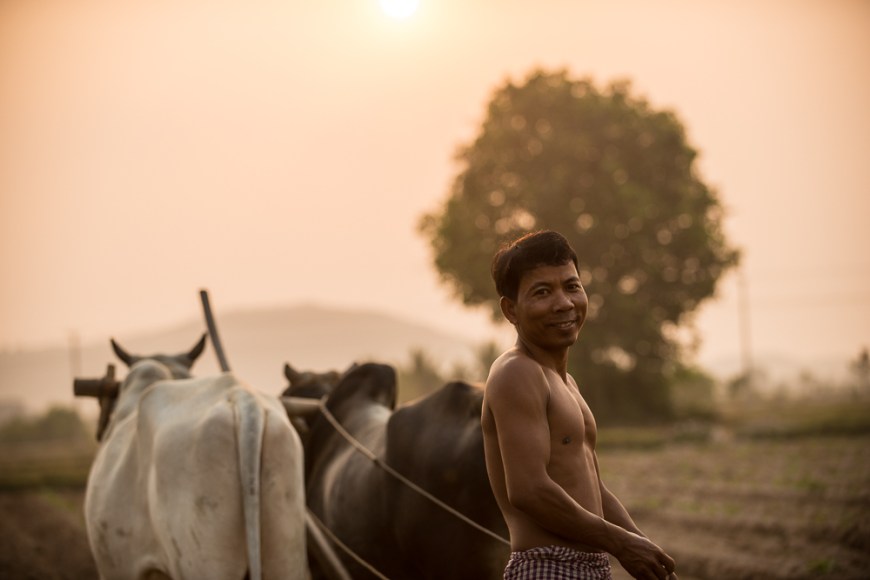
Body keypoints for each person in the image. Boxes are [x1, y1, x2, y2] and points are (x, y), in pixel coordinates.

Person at [481, 230, 677, 580]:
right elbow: (528, 491)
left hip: (589, 569)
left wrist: (645, 550)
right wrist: (621, 544)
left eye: (571, 286)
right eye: (542, 292)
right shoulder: (516, 373)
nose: (564, 303)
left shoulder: (566, 383)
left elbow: (594, 489)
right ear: (511, 309)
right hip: (547, 568)